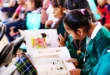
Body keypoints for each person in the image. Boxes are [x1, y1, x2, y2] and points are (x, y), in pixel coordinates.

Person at [63, 9, 110, 75]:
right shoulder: (88, 33)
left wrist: (82, 73)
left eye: (70, 33)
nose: (71, 36)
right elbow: (89, 56)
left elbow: (102, 67)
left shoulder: (102, 38)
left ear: (79, 31)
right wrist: (79, 61)